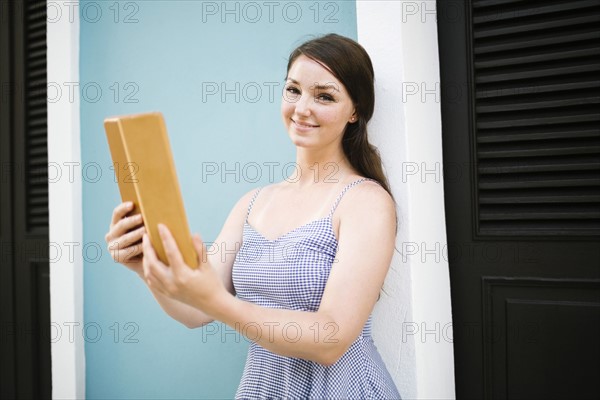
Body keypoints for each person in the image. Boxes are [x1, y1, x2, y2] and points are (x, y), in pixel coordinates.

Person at [105, 33, 401, 399]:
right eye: (293, 90)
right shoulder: (252, 203)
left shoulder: (365, 202)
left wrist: (217, 302)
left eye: (324, 96)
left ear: (354, 111)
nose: (302, 108)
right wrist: (143, 264)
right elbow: (193, 311)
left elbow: (331, 338)